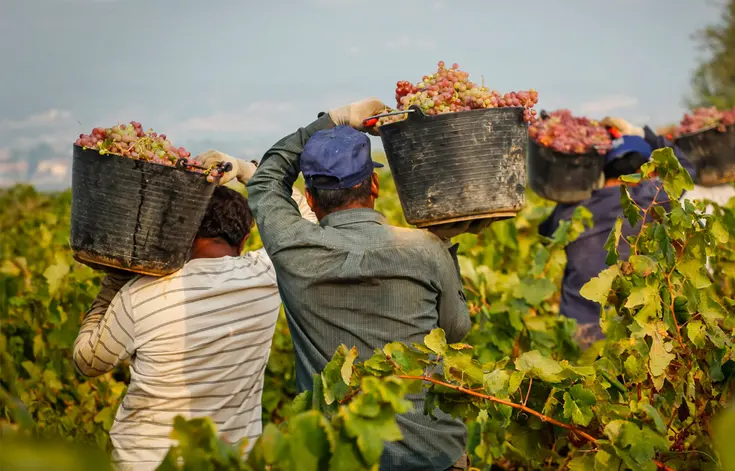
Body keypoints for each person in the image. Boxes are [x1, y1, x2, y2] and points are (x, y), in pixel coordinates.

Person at [200, 98, 472, 471]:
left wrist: (337, 119)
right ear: (374, 184)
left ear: (309, 198)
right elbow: (457, 330)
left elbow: (266, 178)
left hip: (340, 457)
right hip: (432, 453)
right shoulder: (425, 248)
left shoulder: (292, 248)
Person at [73, 169, 316, 471]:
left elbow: (87, 362)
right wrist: (252, 173)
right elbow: (307, 225)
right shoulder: (265, 276)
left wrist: (112, 286)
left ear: (184, 232)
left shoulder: (139, 294)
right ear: (243, 240)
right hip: (228, 462)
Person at [538, 117, 697, 348]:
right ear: (644, 171)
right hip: (632, 330)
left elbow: (545, 234)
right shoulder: (648, 198)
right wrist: (643, 133)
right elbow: (687, 170)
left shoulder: (572, 208)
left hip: (578, 330)